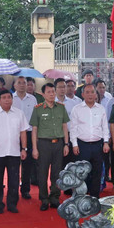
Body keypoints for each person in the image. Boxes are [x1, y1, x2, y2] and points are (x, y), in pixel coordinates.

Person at [0, 89, 29, 214]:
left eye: (9, 97)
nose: (7, 99)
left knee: (14, 181)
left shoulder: (19, 114)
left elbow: (23, 132)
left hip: (14, 152)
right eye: (4, 97)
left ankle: (12, 204)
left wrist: (24, 148)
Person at [30, 83, 70, 211]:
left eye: (53, 91)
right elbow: (34, 130)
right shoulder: (38, 109)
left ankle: (54, 198)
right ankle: (44, 198)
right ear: (43, 94)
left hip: (58, 143)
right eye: (49, 92)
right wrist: (35, 148)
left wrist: (66, 144)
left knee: (57, 173)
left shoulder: (61, 108)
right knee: (42, 173)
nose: (52, 94)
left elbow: (65, 126)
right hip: (43, 144)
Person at [69, 84, 110, 197]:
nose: (90, 94)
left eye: (92, 92)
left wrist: (106, 142)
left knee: (97, 172)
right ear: (82, 95)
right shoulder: (77, 109)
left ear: (96, 94)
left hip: (98, 145)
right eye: (87, 92)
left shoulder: (101, 109)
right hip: (82, 145)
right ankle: (80, 196)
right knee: (81, 173)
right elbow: (73, 128)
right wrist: (75, 144)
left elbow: (105, 127)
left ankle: (94, 197)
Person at [12, 76, 39, 198]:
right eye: (19, 83)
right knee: (13, 163)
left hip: (28, 133)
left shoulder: (32, 99)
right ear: (15, 85)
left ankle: (25, 189)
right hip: (13, 134)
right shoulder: (10, 98)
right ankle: (13, 189)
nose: (22, 85)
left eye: (24, 83)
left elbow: (36, 118)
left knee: (27, 163)